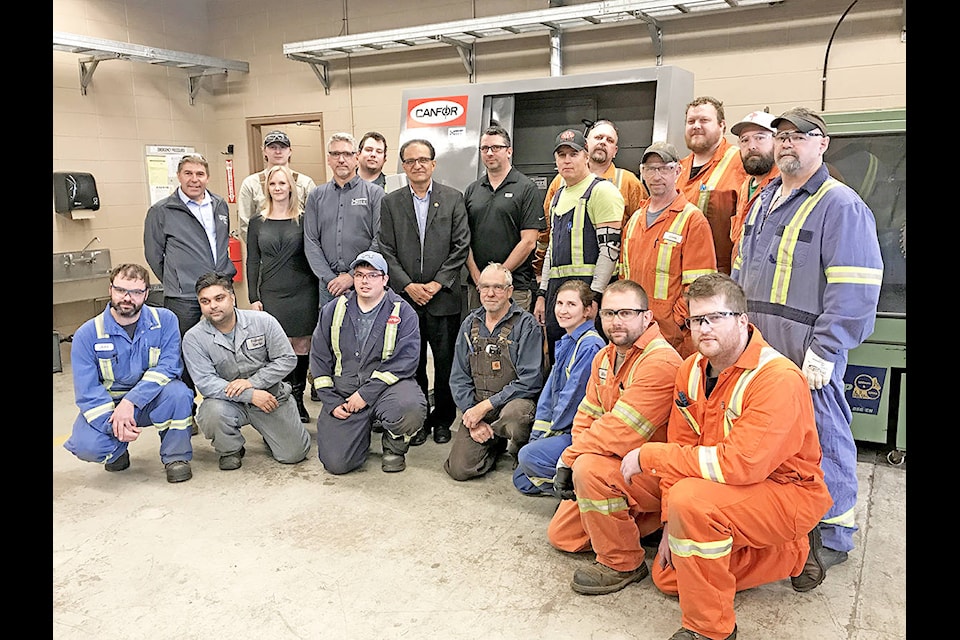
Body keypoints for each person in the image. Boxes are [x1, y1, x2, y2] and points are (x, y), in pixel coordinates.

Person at [620, 272, 833, 640]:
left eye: (715, 318)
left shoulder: (778, 378)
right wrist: (670, 520)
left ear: (742, 320)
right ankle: (779, 554)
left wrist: (652, 455)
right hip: (725, 490)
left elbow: (739, 464)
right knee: (668, 576)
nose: (703, 329)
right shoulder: (690, 370)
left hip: (786, 493)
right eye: (696, 320)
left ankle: (711, 629)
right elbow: (685, 442)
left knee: (693, 503)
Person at [732, 107, 883, 587]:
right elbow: (742, 271)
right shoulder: (764, 200)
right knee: (770, 438)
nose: (788, 144)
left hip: (806, 349)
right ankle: (785, 524)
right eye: (782, 137)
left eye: (800, 136)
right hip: (758, 343)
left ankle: (832, 533)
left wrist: (828, 347)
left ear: (823, 144)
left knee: (823, 434)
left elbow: (856, 286)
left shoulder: (842, 205)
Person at [547, 279, 681, 596]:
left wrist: (570, 459)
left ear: (647, 317)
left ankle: (623, 563)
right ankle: (642, 521)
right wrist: (578, 454)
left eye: (625, 313)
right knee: (562, 536)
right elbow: (587, 415)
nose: (615, 322)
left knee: (588, 472)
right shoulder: (605, 357)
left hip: (656, 472)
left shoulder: (660, 361)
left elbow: (624, 430)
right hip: (616, 463)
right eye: (608, 313)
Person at [63, 264, 194, 484]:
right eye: (121, 290)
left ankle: (176, 457)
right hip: (110, 406)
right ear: (110, 290)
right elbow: (88, 391)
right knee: (88, 447)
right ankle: (118, 448)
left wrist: (131, 401)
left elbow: (169, 367)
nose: (127, 298)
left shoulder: (166, 321)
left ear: (146, 293)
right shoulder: (88, 334)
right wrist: (112, 423)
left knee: (179, 393)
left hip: (151, 399)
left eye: (136, 292)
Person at [378, 138, 471, 446]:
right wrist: (406, 285)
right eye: (410, 161)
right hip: (405, 301)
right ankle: (417, 420)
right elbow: (386, 249)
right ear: (403, 166)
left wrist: (436, 283)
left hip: (443, 297)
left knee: (445, 363)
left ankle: (443, 419)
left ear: (433, 163)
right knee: (411, 363)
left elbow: (461, 246)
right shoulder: (391, 202)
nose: (417, 165)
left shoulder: (453, 199)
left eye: (423, 160)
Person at [310, 251, 427, 474]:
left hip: (386, 390)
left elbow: (406, 361)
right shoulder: (333, 310)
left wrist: (366, 394)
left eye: (373, 275)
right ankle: (357, 434)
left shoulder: (404, 312)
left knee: (410, 407)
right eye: (360, 274)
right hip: (344, 392)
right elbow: (319, 358)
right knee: (337, 464)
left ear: (385, 279)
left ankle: (394, 445)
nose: (365, 281)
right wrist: (331, 400)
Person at [181, 272, 311, 471]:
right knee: (211, 412)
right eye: (205, 301)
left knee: (294, 455)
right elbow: (206, 382)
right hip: (228, 402)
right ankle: (230, 449)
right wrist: (250, 395)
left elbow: (287, 359)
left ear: (232, 297)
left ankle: (273, 432)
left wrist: (253, 383)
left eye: (219, 298)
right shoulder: (194, 338)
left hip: (271, 397)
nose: (213, 306)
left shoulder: (263, 321)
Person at [144, 153, 236, 412]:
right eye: (188, 173)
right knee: (182, 352)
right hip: (183, 296)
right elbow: (154, 255)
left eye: (200, 174)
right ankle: (188, 410)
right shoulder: (161, 211)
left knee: (226, 347)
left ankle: (226, 403)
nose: (194, 179)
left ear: (207, 177)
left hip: (220, 289)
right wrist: (175, 281)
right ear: (179, 176)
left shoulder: (218, 204)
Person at [443, 263, 543, 481]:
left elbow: (530, 380)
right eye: (485, 287)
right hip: (479, 404)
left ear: (509, 291)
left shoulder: (526, 325)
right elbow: (458, 377)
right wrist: (473, 416)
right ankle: (493, 444)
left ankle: (520, 447)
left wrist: (486, 406)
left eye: (498, 287)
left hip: (511, 404)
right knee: (459, 470)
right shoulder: (470, 323)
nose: (490, 293)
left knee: (516, 416)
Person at [619, 142, 717, 358]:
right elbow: (624, 276)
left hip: (673, 338)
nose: (657, 176)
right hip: (636, 331)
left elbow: (700, 285)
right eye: (651, 169)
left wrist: (676, 321)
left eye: (665, 168)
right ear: (642, 172)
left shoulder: (692, 220)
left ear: (678, 171)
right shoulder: (635, 220)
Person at [534, 128, 623, 363]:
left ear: (586, 156)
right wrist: (543, 294)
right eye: (561, 155)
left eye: (573, 154)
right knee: (558, 361)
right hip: (558, 295)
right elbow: (551, 250)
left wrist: (594, 298)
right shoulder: (557, 196)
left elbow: (610, 251)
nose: (566, 160)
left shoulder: (602, 191)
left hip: (587, 296)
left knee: (588, 363)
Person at [512, 280, 603, 495]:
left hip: (578, 432)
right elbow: (549, 395)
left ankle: (578, 492)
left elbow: (572, 399)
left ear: (588, 310)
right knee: (521, 480)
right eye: (560, 303)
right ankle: (562, 481)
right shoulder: (567, 341)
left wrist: (548, 436)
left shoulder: (590, 345)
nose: (563, 310)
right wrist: (538, 436)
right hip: (562, 428)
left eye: (571, 304)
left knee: (528, 458)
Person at [534, 119, 648, 288]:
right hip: (562, 284)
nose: (603, 142)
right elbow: (548, 234)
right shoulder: (559, 182)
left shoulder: (628, 182)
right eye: (599, 137)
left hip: (610, 282)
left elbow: (640, 235)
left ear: (615, 151)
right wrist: (540, 274)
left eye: (609, 140)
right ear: (586, 145)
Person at [246, 164, 320, 423]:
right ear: (267, 188)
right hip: (271, 292)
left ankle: (298, 398)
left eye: (282, 183)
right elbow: (252, 261)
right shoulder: (257, 221)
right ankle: (282, 396)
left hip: (302, 291)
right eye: (273, 184)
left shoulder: (304, 217)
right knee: (277, 347)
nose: (278, 188)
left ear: (291, 186)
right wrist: (253, 297)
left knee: (301, 345)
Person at [464, 124, 544, 312]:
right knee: (477, 338)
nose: (489, 153)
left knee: (512, 339)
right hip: (478, 287)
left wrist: (497, 278)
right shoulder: (472, 190)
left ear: (509, 151)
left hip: (513, 286)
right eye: (485, 148)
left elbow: (529, 242)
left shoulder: (526, 188)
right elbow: (463, 239)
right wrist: (479, 278)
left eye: (496, 148)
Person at [304, 131, 385, 309]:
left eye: (347, 154)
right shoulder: (316, 196)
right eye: (335, 154)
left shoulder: (374, 193)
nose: (341, 159)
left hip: (366, 282)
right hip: (329, 287)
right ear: (328, 159)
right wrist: (330, 279)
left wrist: (351, 276)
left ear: (356, 158)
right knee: (332, 335)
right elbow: (311, 242)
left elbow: (379, 238)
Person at [677, 97, 748, 275]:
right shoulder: (678, 169)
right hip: (679, 273)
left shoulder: (742, 164)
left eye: (704, 120)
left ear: (722, 125)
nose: (696, 126)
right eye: (691, 121)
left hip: (720, 277)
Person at [237, 129, 317, 242]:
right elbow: (245, 224)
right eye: (272, 147)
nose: (278, 152)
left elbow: (313, 223)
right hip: (265, 250)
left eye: (283, 147)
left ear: (290, 151)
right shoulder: (251, 184)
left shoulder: (305, 183)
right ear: (264, 151)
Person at [728, 110, 780, 265]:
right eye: (744, 140)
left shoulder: (783, 185)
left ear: (776, 141)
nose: (751, 146)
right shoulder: (746, 185)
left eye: (760, 138)